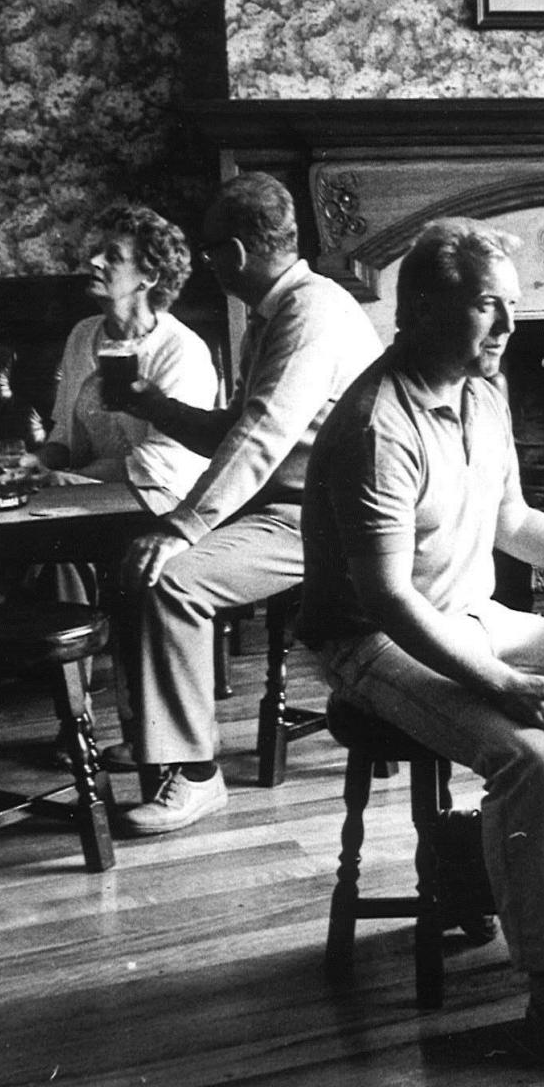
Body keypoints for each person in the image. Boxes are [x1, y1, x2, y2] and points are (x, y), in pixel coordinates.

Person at [300, 220, 544, 1078]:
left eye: (515, 308)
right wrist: (501, 682)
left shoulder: (480, 391)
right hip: (370, 637)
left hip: (466, 609)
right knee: (530, 755)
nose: (507, 328)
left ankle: (477, 861)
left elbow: (516, 526)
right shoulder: (375, 426)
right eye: (488, 307)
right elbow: (386, 597)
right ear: (420, 308)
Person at [104, 173, 378, 834]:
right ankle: (159, 740)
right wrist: (149, 403)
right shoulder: (280, 312)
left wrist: (181, 526)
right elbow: (240, 428)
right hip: (295, 510)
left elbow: (262, 436)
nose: (205, 266)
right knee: (131, 562)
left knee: (169, 576)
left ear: (232, 252)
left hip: (336, 522)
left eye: (207, 252)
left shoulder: (313, 312)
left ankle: (195, 775)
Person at [24, 204, 218, 513]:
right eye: (98, 252)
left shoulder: (181, 350)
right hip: (83, 496)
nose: (94, 262)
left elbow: (160, 464)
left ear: (149, 277)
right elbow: (65, 435)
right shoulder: (83, 334)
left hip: (158, 502)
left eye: (112, 256)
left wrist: (71, 480)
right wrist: (39, 461)